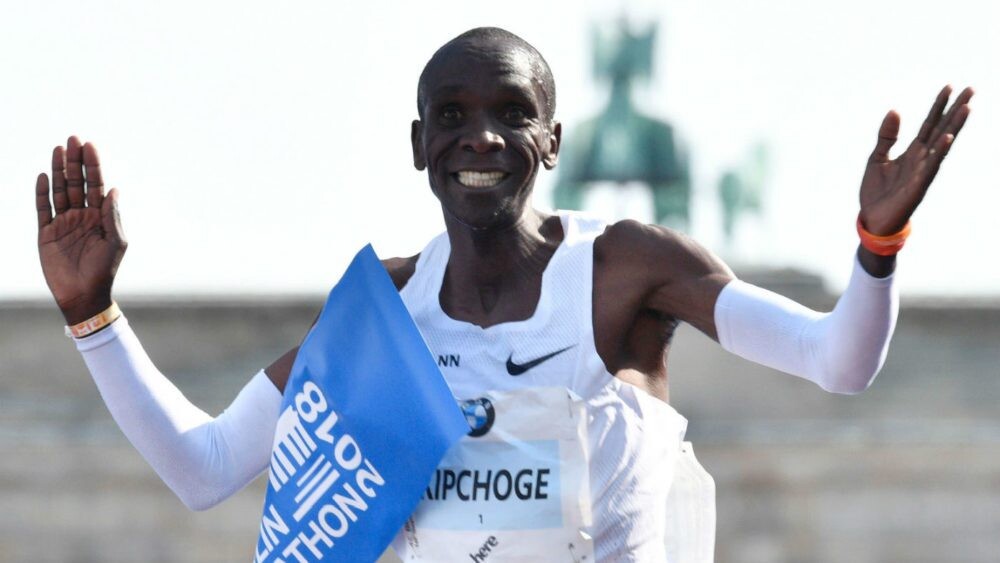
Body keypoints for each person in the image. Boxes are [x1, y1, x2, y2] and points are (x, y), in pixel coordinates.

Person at [36, 27, 972, 562]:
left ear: (552, 141)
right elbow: (205, 468)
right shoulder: (382, 313)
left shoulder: (625, 270)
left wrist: (876, 244)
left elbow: (835, 361)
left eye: (512, 114)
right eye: (453, 116)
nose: (481, 138)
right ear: (419, 145)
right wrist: (91, 316)